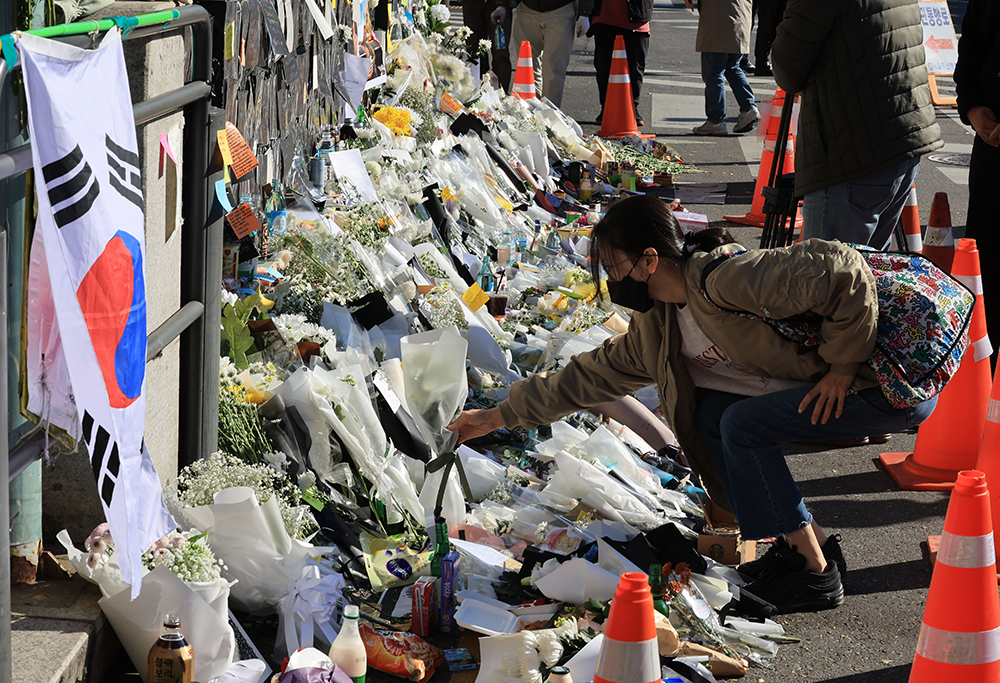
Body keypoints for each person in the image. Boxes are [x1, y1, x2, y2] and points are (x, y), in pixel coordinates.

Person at [449, 195, 939, 614]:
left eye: (612, 266)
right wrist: (492, 418)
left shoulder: (724, 280)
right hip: (841, 383)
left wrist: (840, 365)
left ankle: (814, 571)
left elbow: (843, 270)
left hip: (889, 382)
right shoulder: (657, 326)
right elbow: (585, 379)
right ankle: (797, 548)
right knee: (711, 415)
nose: (609, 280)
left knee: (742, 424)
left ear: (647, 261)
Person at [771, 0, 943, 250]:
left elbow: (788, 66)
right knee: (867, 273)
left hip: (851, 148)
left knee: (829, 276)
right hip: (901, 135)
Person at [954, 0, 1000, 364]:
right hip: (992, 144)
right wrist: (971, 105)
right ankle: (980, 374)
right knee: (985, 261)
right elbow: (972, 42)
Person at [491, 0, 593, 107]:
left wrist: (584, 13)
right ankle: (529, 113)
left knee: (554, 68)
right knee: (527, 68)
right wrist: (501, 5)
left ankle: (550, 115)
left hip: (560, 10)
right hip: (527, 10)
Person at [687, 0, 760, 136]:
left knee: (714, 73)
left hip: (719, 19)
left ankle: (715, 121)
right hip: (740, 19)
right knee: (732, 67)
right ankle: (749, 107)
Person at [589, 0, 651, 126]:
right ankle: (606, 108)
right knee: (604, 67)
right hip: (604, 17)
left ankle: (632, 108)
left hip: (636, 19)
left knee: (635, 69)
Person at [463, 0, 513, 93]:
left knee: (500, 54)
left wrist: (503, 4)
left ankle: (501, 96)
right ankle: (477, 94)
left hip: (497, 4)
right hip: (471, 4)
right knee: (474, 53)